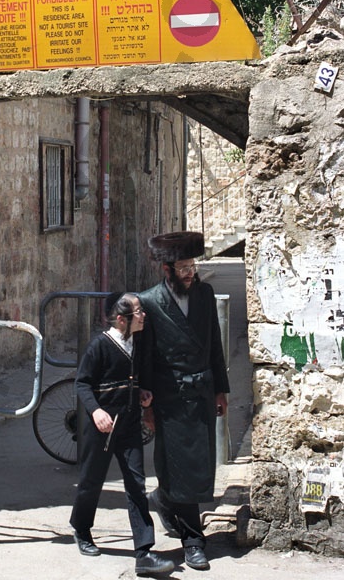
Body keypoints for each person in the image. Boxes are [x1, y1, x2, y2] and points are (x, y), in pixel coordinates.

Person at [138, 231, 230, 571]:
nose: (190, 272)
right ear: (167, 270)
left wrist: (221, 390)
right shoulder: (149, 302)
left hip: (203, 392)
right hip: (170, 398)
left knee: (200, 466)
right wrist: (146, 407)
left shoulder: (205, 295)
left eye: (193, 265)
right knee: (177, 466)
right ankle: (193, 542)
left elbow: (215, 347)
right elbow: (144, 360)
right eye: (183, 267)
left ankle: (163, 498)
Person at [69, 292, 175, 577]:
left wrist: (142, 393)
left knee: (136, 485)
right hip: (101, 429)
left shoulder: (137, 343)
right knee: (91, 482)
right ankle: (81, 528)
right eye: (138, 312)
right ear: (121, 319)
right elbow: (82, 384)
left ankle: (144, 552)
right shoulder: (99, 347)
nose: (143, 316)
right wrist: (95, 411)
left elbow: (134, 378)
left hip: (129, 425)